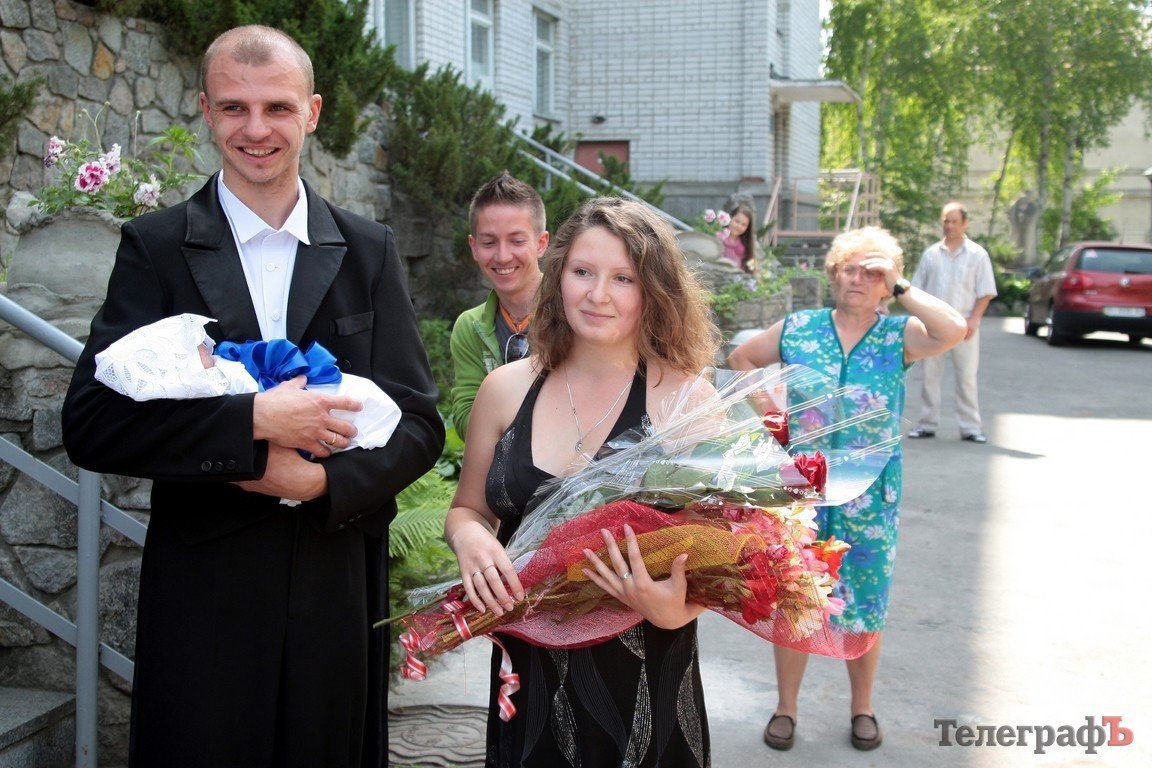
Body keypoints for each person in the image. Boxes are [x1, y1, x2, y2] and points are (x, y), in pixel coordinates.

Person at [61, 25, 444, 768]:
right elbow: (92, 424)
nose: (256, 129)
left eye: (277, 106)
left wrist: (322, 481)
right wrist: (252, 422)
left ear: (313, 112)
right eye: (235, 108)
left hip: (336, 583)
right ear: (205, 109)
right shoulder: (156, 245)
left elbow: (420, 425)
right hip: (206, 586)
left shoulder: (368, 249)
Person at [445, 197, 721, 767]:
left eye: (623, 278)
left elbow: (722, 559)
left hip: (647, 680)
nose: (598, 295)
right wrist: (471, 538)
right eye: (583, 273)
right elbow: (468, 509)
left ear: (654, 291)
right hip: (530, 670)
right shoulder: (505, 389)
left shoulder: (687, 400)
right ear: (558, 275)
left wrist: (676, 609)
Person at [727, 225, 966, 752]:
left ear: (887, 283)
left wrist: (901, 285)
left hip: (870, 497)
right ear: (833, 275)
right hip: (803, 496)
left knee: (865, 602)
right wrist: (773, 420)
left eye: (871, 271)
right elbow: (741, 361)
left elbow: (953, 330)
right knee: (796, 595)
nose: (857, 278)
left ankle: (863, 707)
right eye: (848, 269)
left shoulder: (897, 335)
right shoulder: (801, 328)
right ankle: (785, 708)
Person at [450, 171, 549, 439]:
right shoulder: (468, 327)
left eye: (517, 241)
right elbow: (464, 418)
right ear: (473, 247)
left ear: (541, 244)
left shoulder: (574, 313)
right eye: (489, 242)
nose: (503, 256)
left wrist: (496, 413)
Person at [907, 201, 998, 443]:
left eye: (954, 221)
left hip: (965, 325)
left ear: (965, 223)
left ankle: (971, 427)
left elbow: (986, 290)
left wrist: (975, 319)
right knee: (929, 377)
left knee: (967, 377)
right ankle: (927, 424)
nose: (949, 226)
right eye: (946, 221)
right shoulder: (931, 254)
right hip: (933, 327)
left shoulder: (977, 255)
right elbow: (916, 289)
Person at [718, 202, 760, 277]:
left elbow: (752, 264)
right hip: (720, 277)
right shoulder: (719, 237)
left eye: (744, 225)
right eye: (737, 221)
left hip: (737, 280)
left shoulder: (744, 244)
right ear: (730, 218)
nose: (739, 226)